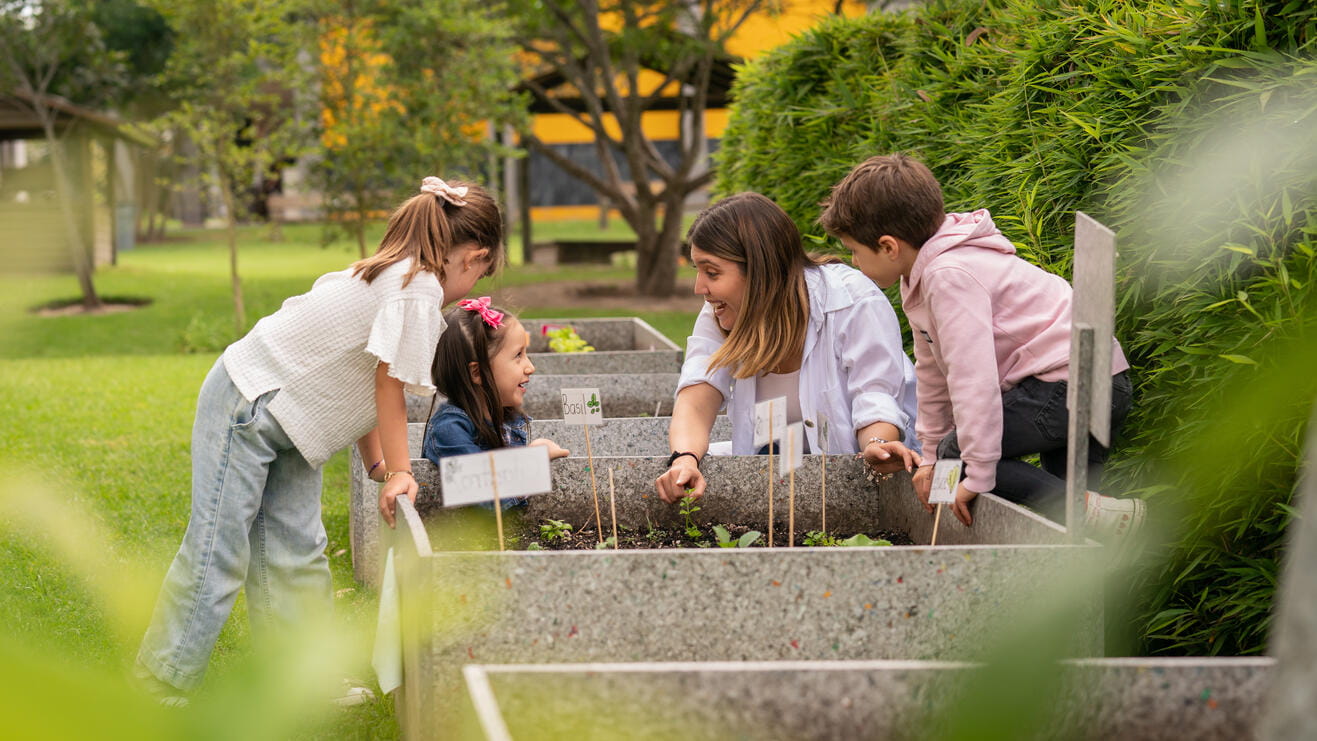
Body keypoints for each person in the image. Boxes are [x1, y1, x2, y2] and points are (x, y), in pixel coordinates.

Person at [135, 177, 504, 706]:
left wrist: (378, 465)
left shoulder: (395, 273)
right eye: (481, 273)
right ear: (474, 256)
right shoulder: (417, 287)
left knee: (297, 552)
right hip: (249, 405)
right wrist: (402, 471)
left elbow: (364, 382)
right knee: (218, 546)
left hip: (290, 422)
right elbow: (388, 385)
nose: (471, 285)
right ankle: (160, 681)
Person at [819, 153, 1143, 535]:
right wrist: (929, 455)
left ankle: (1107, 518)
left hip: (1070, 384)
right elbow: (934, 376)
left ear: (889, 246)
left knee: (962, 455)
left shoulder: (947, 275)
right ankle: (1108, 534)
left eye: (855, 250)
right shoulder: (923, 277)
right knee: (1075, 522)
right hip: (1096, 377)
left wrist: (974, 473)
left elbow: (972, 381)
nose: (855, 263)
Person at [654, 192, 920, 504]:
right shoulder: (721, 312)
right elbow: (698, 393)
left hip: (860, 488)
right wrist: (684, 460)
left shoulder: (853, 301)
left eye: (712, 272)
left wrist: (878, 443)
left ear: (760, 271)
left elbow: (875, 395)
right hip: (777, 484)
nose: (700, 288)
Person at [422, 298, 569, 473]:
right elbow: (483, 485)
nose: (530, 367)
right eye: (518, 355)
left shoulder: (502, 418)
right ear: (477, 373)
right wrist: (533, 458)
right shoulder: (449, 430)